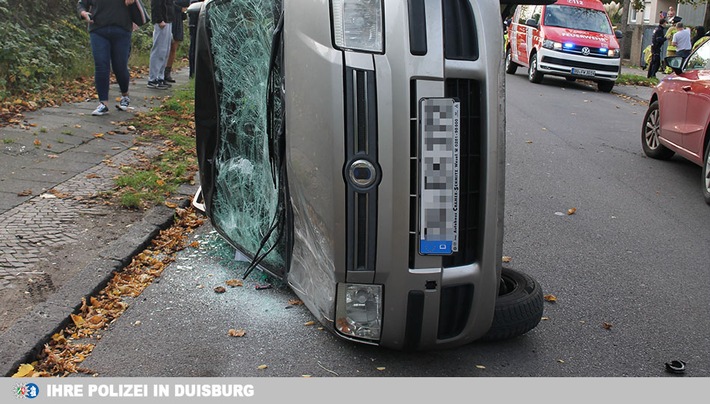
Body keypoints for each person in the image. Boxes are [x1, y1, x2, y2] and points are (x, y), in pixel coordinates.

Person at [77, 0, 135, 116]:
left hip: (121, 29)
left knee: (119, 66)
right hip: (98, 29)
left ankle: (125, 95)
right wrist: (83, 13)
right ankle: (103, 103)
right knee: (101, 65)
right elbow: (81, 4)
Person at [147, 0, 175, 89]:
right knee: (159, 50)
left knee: (165, 51)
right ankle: (153, 79)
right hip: (162, 22)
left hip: (168, 20)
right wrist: (159, 19)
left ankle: (160, 77)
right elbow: (155, 4)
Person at [164, 1, 188, 83]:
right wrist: (180, 8)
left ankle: (167, 71)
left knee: (173, 48)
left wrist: (183, 10)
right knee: (166, 47)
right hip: (169, 19)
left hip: (178, 20)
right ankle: (161, 70)